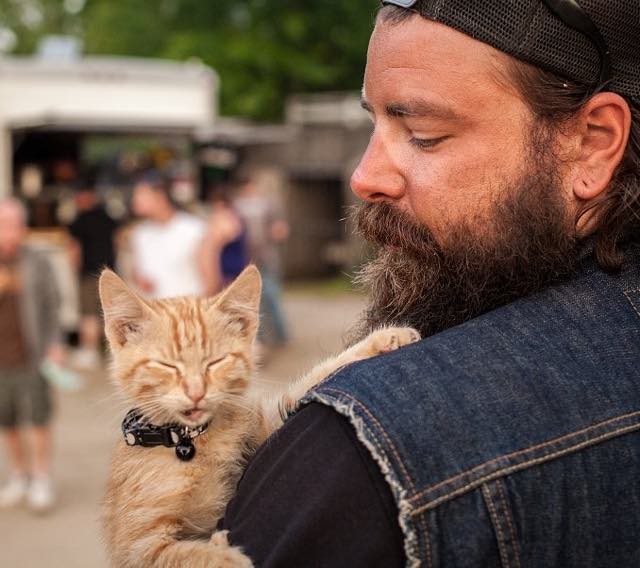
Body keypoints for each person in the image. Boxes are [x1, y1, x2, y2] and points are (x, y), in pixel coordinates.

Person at [219, 1, 640, 566]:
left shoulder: (366, 456)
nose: (364, 177)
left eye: (422, 134)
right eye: (375, 121)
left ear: (591, 142)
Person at [0, 199, 64, 512]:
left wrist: (56, 344)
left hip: (33, 354)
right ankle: (19, 474)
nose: (8, 231)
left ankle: (41, 477)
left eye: (13, 224)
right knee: (7, 421)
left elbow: (54, 305)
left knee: (38, 418)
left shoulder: (37, 260)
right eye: (2, 224)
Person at [68, 176, 119, 369]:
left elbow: (74, 251)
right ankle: (112, 352)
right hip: (111, 274)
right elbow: (118, 240)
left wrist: (75, 271)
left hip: (89, 274)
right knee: (111, 315)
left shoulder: (78, 221)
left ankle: (89, 352)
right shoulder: (108, 217)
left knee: (88, 314)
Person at [130, 170, 206, 299]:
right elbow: (138, 271)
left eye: (141, 194)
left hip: (189, 309)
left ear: (160, 195)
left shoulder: (195, 229)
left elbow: (210, 277)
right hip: (156, 310)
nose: (135, 200)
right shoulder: (139, 233)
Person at [234, 175, 289, 345]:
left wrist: (278, 231)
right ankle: (261, 339)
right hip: (246, 259)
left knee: (271, 296)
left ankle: (281, 336)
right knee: (253, 302)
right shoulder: (237, 207)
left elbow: (280, 229)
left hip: (267, 257)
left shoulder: (268, 204)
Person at [199, 190, 249, 297]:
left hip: (228, 270)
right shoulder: (236, 217)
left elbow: (212, 249)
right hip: (235, 266)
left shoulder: (225, 219)